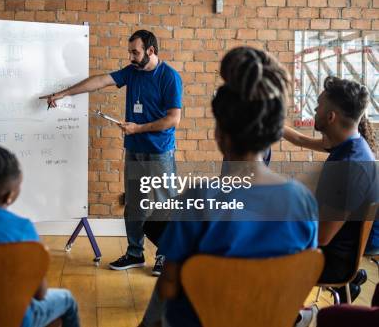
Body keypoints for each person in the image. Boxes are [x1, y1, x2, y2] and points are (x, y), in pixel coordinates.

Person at [148, 47, 318, 327]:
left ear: (219, 135)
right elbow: (301, 278)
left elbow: (168, 287)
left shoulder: (198, 200)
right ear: (275, 133)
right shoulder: (303, 202)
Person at [41, 30, 183, 275]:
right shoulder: (132, 72)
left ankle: (165, 255)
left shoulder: (169, 77)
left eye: (135, 52)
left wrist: (138, 128)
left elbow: (173, 119)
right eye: (130, 51)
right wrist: (63, 94)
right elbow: (99, 81)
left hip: (160, 152)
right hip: (134, 150)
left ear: (150, 51)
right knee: (134, 204)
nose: (130, 57)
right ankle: (134, 253)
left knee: (164, 205)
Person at [0, 137, 80, 327]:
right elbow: (40, 293)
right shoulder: (22, 229)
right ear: (10, 194)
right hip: (14, 319)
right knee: (67, 299)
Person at [283, 77, 378, 302]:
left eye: (318, 105)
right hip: (335, 249)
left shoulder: (350, 166)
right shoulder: (350, 145)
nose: (315, 109)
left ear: (330, 116)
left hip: (331, 261)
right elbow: (299, 139)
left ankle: (291, 316)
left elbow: (323, 236)